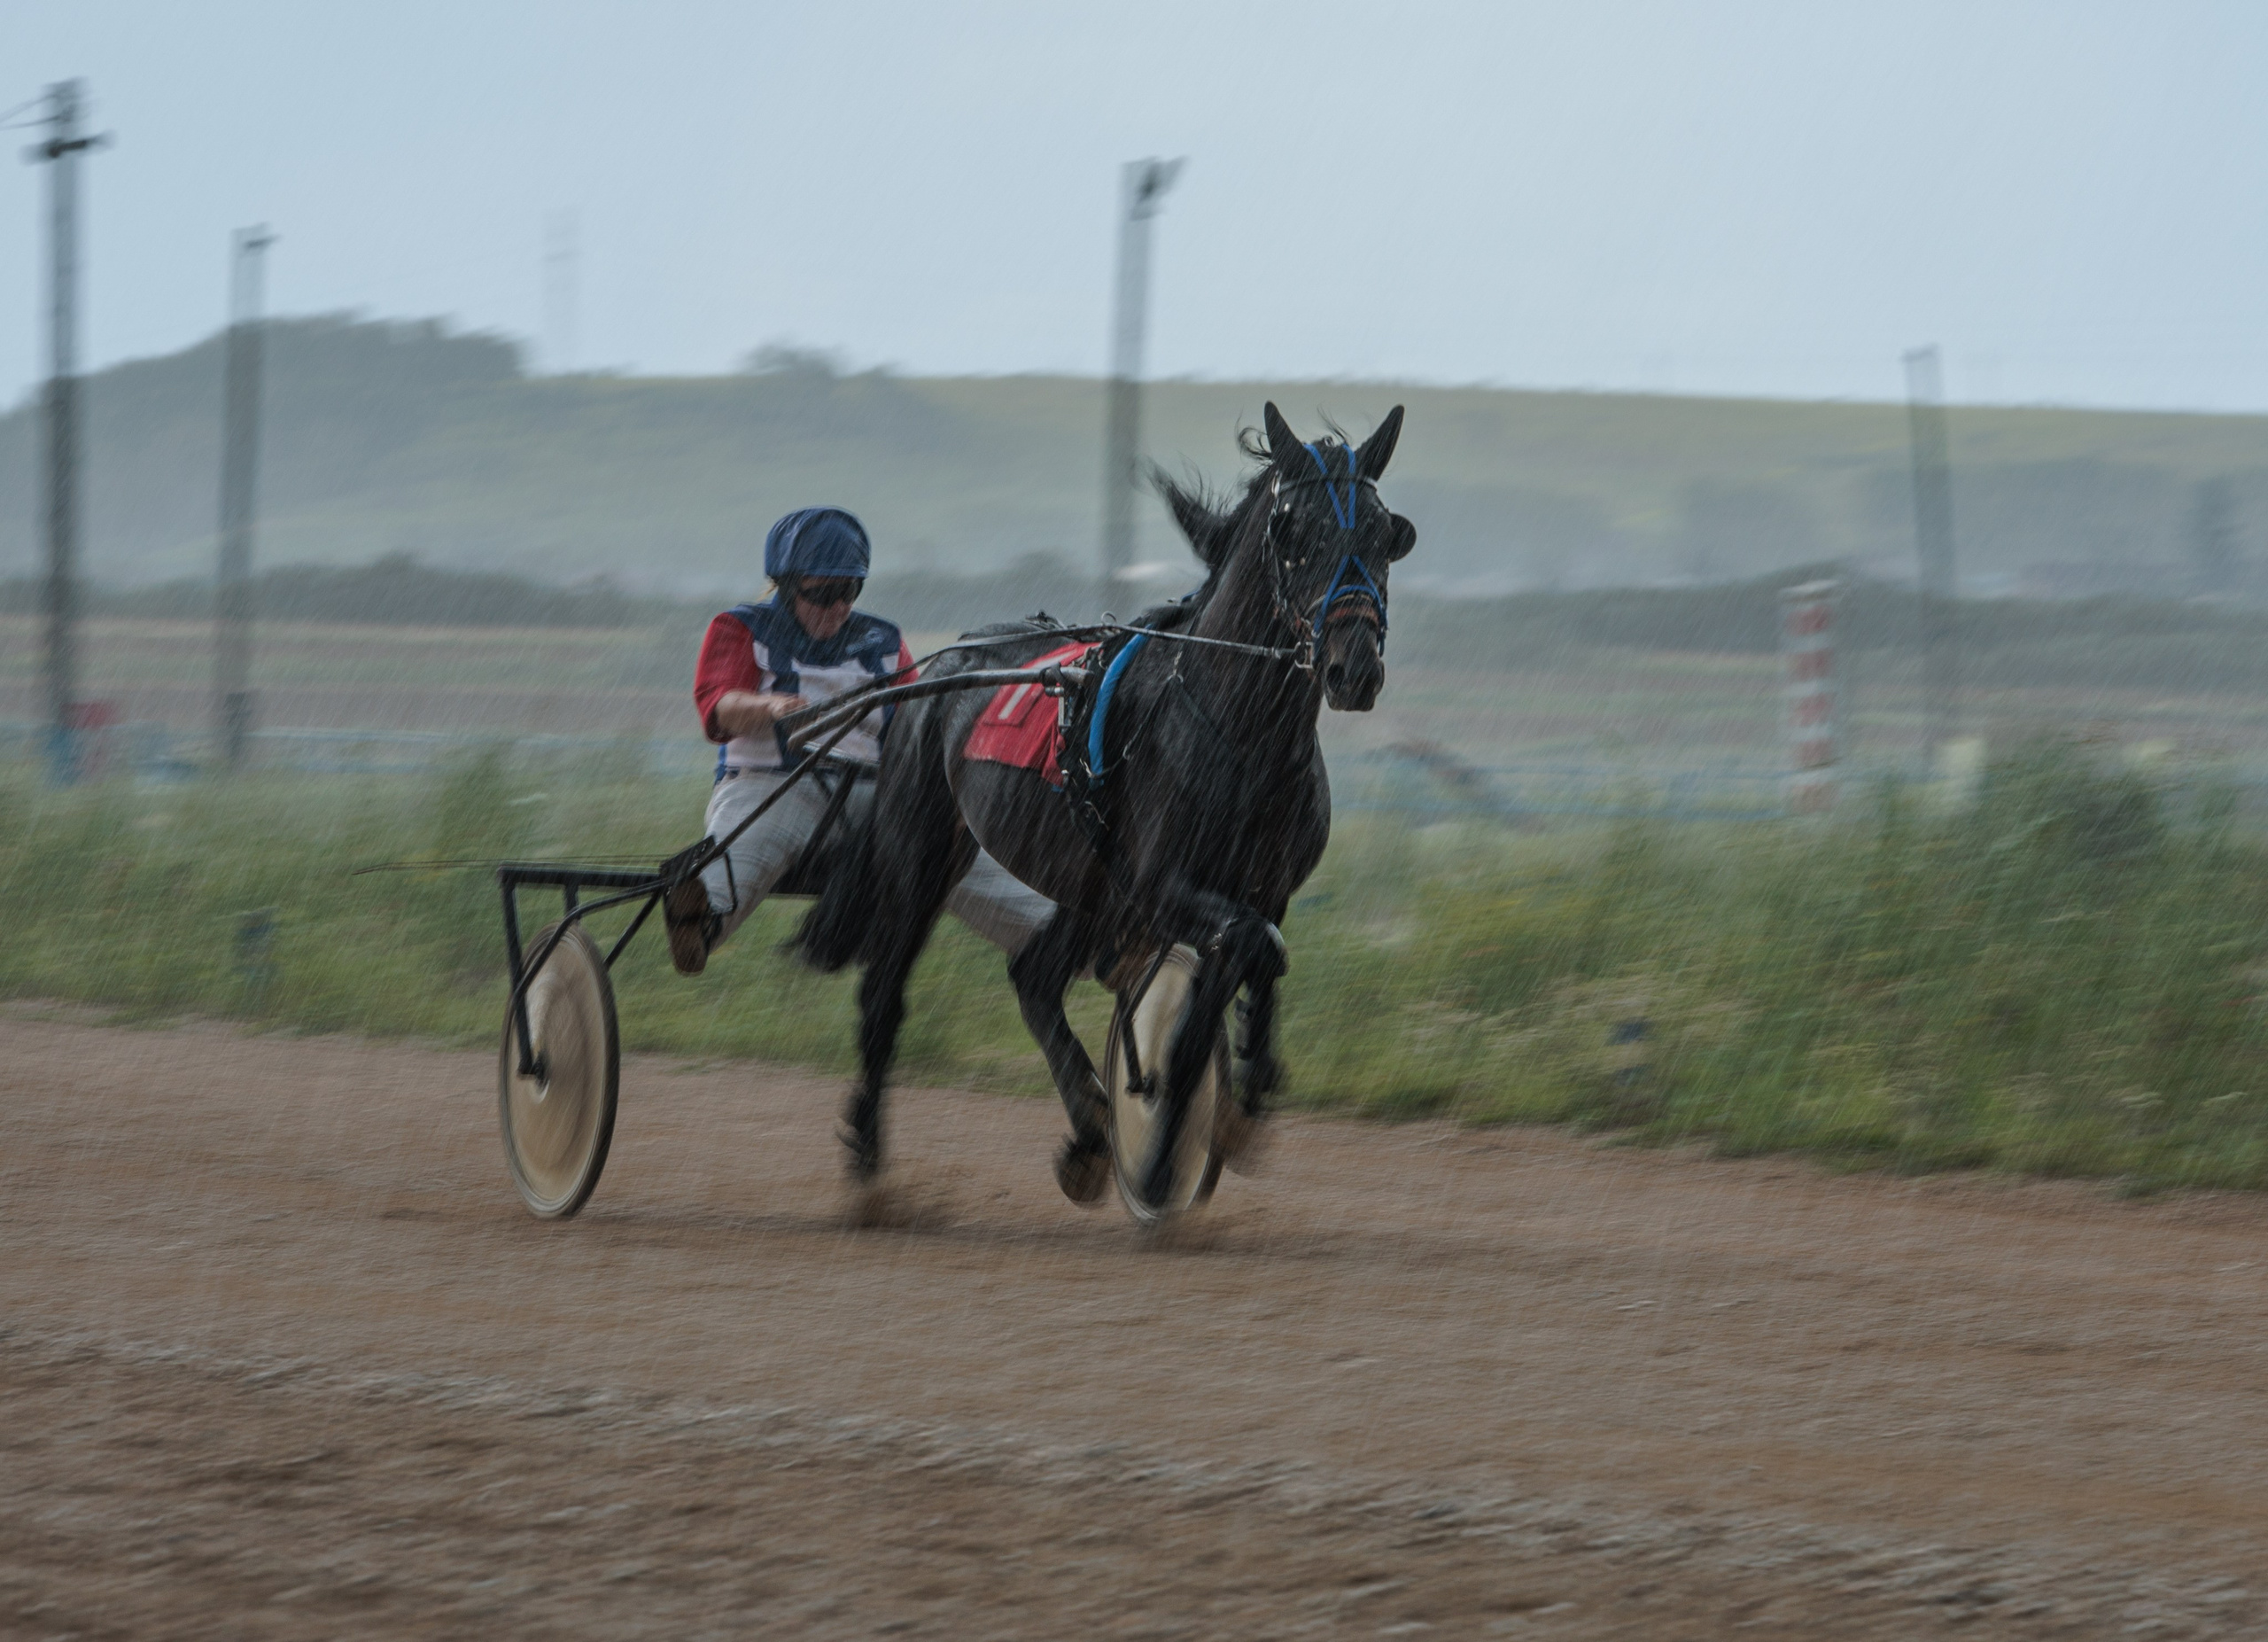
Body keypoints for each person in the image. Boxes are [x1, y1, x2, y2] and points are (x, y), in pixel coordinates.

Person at [665, 505, 1056, 975]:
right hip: (771, 788)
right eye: (823, 594)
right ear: (787, 587)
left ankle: (1067, 938)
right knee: (747, 846)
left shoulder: (883, 640)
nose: (839, 607)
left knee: (950, 849)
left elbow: (913, 723)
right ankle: (700, 919)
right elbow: (719, 706)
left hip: (874, 797)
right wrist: (769, 709)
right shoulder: (740, 628)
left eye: (849, 591)